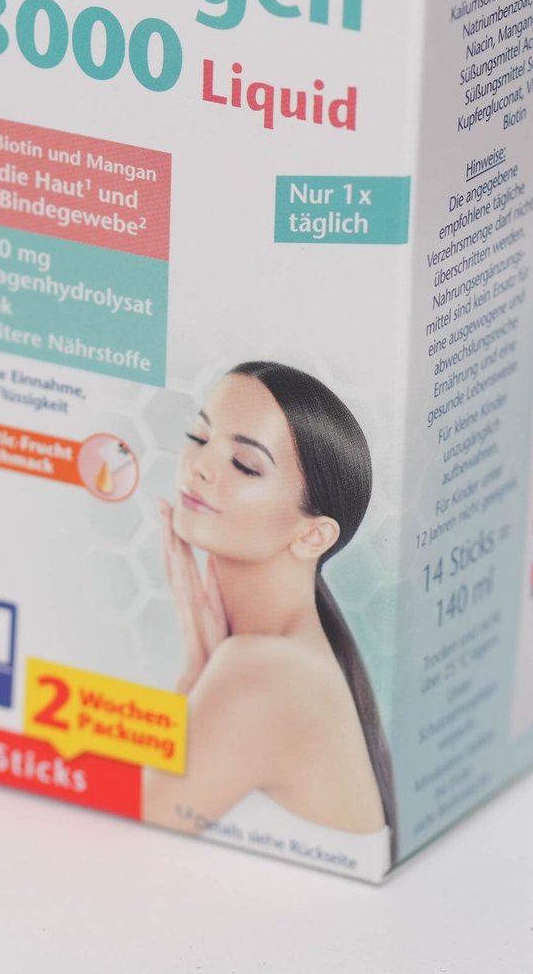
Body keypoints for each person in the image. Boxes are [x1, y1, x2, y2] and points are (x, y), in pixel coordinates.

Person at [141, 361, 397, 871]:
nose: (199, 465)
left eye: (245, 464)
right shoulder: (288, 658)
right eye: (199, 436)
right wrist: (199, 670)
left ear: (312, 534)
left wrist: (196, 676)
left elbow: (126, 845)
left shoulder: (263, 671)